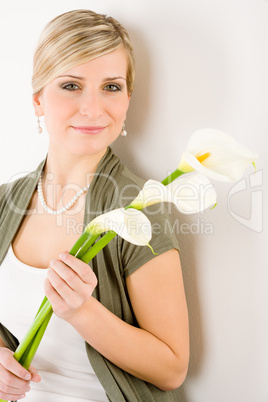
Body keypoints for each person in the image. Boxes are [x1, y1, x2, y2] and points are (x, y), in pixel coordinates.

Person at [0, 9, 189, 402]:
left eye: (111, 87)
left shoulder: (139, 210)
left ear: (127, 99)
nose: (93, 107)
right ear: (38, 99)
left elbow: (172, 368)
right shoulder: (4, 203)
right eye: (71, 85)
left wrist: (82, 311)